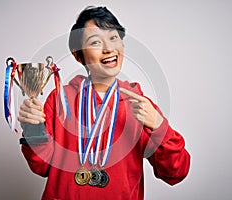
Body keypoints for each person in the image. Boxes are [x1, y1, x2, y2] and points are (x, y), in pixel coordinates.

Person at [18, 6, 190, 200]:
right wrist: (33, 129)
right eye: (95, 42)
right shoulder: (60, 100)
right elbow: (42, 166)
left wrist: (159, 126)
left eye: (113, 37)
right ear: (78, 55)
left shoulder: (140, 106)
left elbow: (176, 172)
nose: (108, 48)